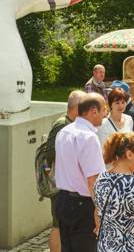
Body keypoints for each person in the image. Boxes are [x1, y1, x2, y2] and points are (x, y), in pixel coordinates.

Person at [53, 94, 107, 252]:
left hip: (63, 200)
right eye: (104, 110)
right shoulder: (88, 137)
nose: (106, 114)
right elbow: (93, 179)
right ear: (93, 111)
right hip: (82, 206)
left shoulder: (64, 131)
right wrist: (99, 210)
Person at [47, 91, 85, 252]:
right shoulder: (62, 125)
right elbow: (51, 153)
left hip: (66, 182)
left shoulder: (70, 123)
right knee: (58, 225)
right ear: (76, 108)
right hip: (60, 184)